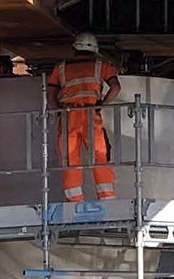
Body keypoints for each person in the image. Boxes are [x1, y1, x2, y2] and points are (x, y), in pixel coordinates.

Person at [46, 32, 121, 203]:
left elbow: (50, 93)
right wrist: (101, 104)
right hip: (90, 115)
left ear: (75, 48)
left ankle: (75, 202)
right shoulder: (101, 65)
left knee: (70, 160)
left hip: (67, 116)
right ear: (95, 49)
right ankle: (108, 200)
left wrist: (57, 110)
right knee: (99, 156)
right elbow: (115, 87)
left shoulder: (61, 67)